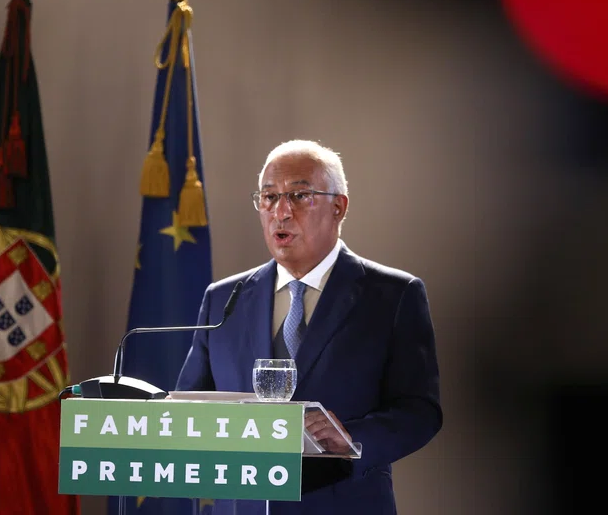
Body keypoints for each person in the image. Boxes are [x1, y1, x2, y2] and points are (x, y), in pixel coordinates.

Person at [176, 139, 443, 515]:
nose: (280, 212)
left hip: (344, 503)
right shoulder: (224, 299)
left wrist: (351, 438)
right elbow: (190, 406)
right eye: (269, 197)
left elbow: (420, 411)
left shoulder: (393, 295)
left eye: (299, 196)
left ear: (339, 206)